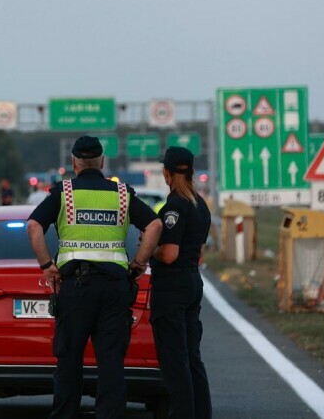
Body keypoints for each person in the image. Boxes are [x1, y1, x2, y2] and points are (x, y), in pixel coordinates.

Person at [27, 136, 163, 419]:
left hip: (75, 288)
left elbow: (33, 225)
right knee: (111, 363)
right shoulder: (122, 194)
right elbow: (154, 224)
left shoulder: (63, 193)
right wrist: (139, 262)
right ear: (102, 162)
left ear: (74, 162)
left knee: (69, 361)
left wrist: (46, 265)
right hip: (115, 289)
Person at [140, 146, 212, 419]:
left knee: (174, 361)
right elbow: (199, 250)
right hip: (193, 281)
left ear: (167, 174)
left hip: (172, 287)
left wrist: (149, 250)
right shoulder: (200, 205)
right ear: (192, 172)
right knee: (192, 358)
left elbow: (169, 254)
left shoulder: (174, 206)